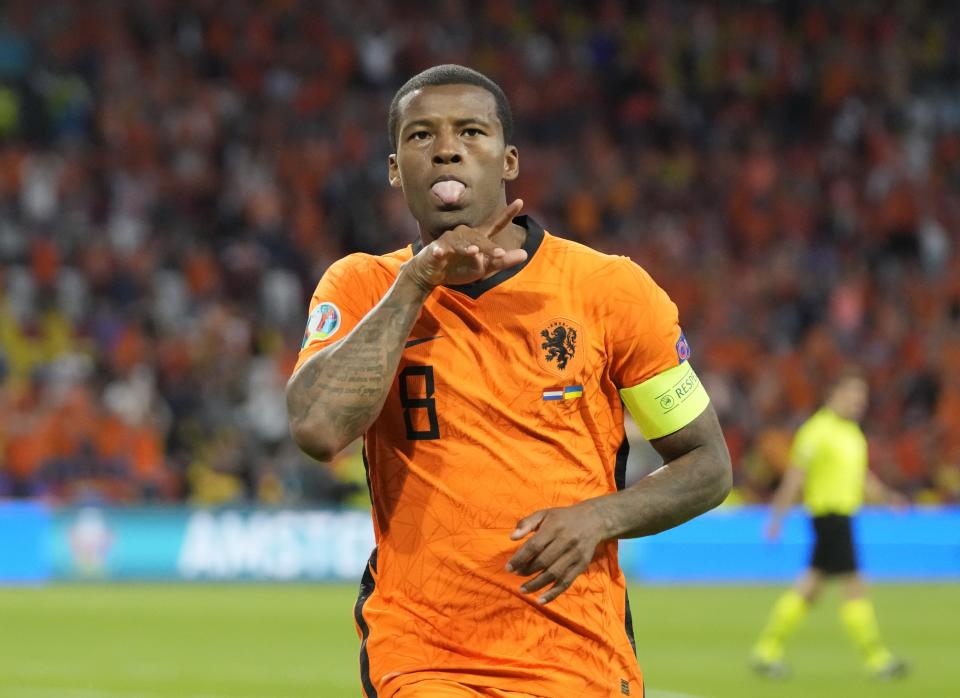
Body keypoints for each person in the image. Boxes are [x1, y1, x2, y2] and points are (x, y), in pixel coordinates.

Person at [286, 64, 732, 698]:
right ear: (393, 169)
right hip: (423, 655)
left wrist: (599, 518)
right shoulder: (361, 286)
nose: (446, 147)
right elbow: (318, 430)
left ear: (508, 160)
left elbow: (708, 465)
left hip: (580, 654)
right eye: (421, 136)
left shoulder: (609, 290)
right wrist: (417, 282)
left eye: (471, 131)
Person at [751, 369, 909, 680]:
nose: (857, 402)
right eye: (851, 394)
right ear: (832, 395)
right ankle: (876, 658)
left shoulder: (852, 434)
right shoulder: (816, 431)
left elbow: (862, 478)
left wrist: (888, 498)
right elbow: (795, 477)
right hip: (829, 518)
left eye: (861, 397)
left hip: (843, 518)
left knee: (809, 588)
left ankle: (766, 650)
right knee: (854, 586)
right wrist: (776, 519)